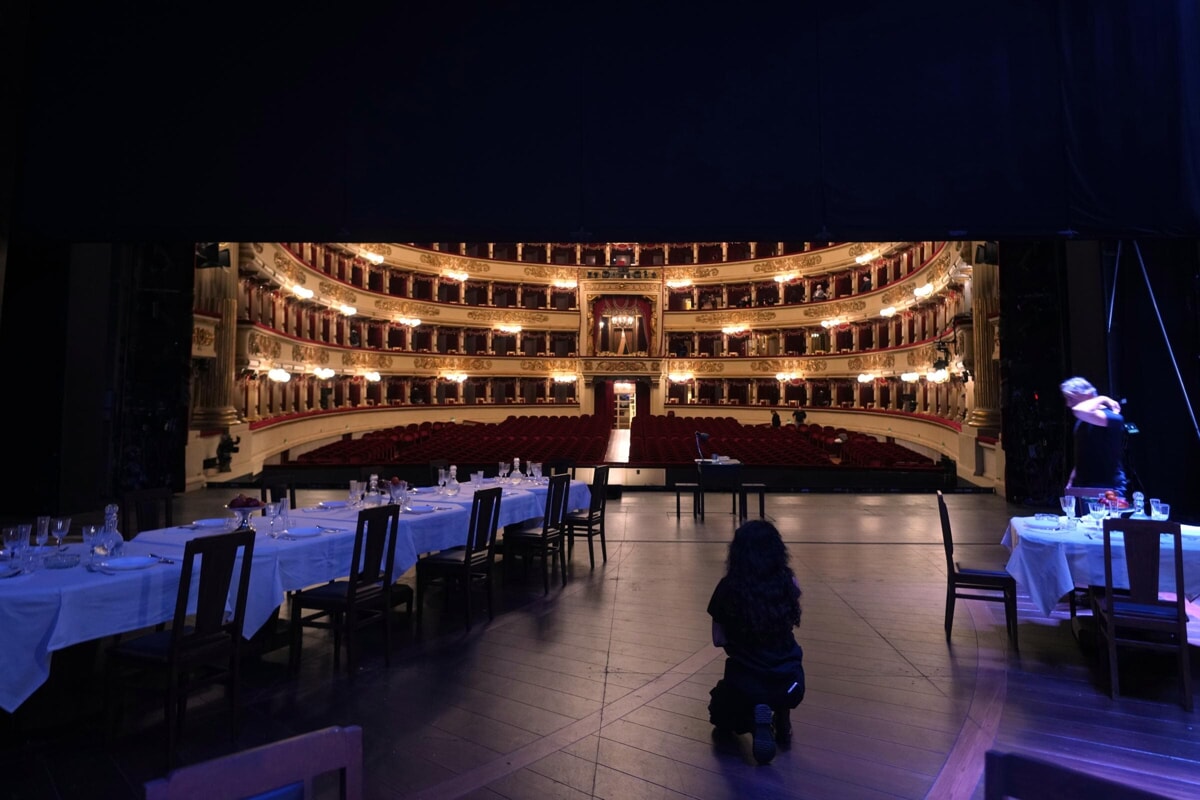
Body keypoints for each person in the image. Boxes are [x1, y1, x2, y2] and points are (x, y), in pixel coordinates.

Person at [708, 520, 805, 765]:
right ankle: (782, 714)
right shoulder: (789, 583)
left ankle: (754, 722)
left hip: (747, 681)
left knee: (718, 710)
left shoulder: (729, 588)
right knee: (779, 681)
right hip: (791, 681)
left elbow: (718, 640)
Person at [1060, 376, 1127, 500]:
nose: (1068, 404)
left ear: (1088, 394)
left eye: (1070, 398)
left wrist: (1102, 398)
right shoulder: (1081, 421)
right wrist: (1071, 481)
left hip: (1108, 487)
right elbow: (1082, 453)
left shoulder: (1113, 417)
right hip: (1084, 486)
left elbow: (1078, 410)